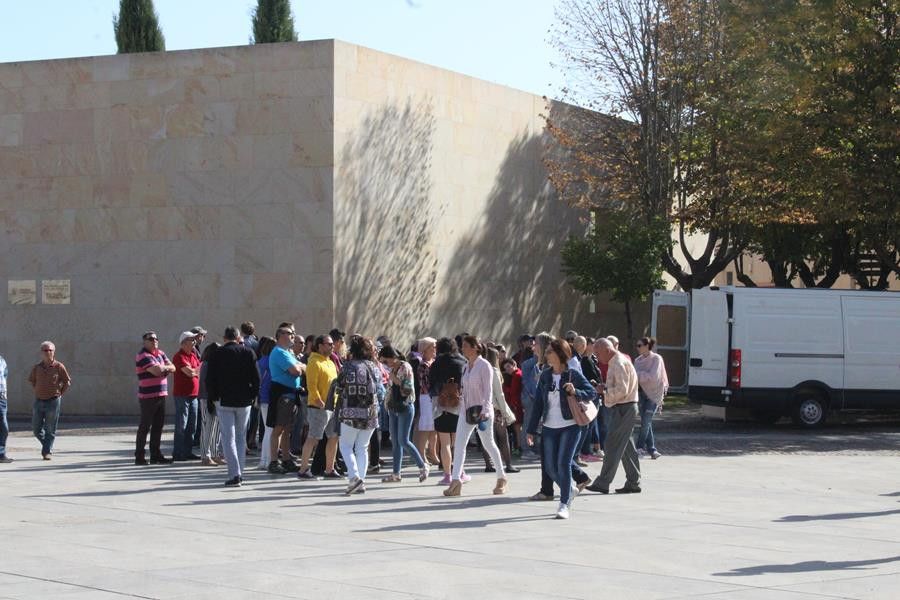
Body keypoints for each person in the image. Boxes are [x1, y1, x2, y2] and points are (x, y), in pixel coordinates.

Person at [526, 339, 595, 519]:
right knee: (549, 467)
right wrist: (531, 429)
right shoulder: (545, 375)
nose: (546, 354)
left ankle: (564, 504)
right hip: (549, 426)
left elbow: (592, 392)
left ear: (560, 354)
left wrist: (576, 392)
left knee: (563, 463)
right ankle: (569, 488)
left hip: (570, 425)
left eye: (549, 351)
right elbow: (539, 404)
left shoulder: (572, 374)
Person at [444, 335, 508, 497]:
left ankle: (501, 477)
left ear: (475, 348)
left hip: (482, 411)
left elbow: (488, 391)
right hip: (466, 410)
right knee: (459, 445)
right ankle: (456, 481)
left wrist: (486, 410)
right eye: (462, 346)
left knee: (489, 444)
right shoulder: (466, 366)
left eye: (465, 346)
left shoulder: (484, 366)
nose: (462, 348)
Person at [206, 326, 260, 487]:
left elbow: (210, 379)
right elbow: (256, 378)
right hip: (244, 401)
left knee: (228, 438)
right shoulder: (248, 352)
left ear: (224, 338)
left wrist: (214, 397)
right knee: (240, 437)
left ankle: (234, 473)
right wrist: (252, 395)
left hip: (224, 401)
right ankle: (239, 472)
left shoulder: (217, 354)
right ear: (238, 337)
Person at [586, 338, 641, 494]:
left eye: (597, 352)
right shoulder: (617, 361)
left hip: (624, 408)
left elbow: (622, 391)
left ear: (607, 350)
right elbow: (621, 388)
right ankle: (633, 481)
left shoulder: (618, 363)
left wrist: (603, 392)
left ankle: (603, 482)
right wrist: (605, 388)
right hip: (625, 407)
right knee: (626, 447)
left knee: (612, 445)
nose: (596, 356)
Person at [336, 336, 384, 494]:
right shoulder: (374, 367)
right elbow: (380, 390)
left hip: (350, 411)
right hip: (371, 412)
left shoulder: (348, 366)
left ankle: (354, 478)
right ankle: (360, 482)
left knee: (345, 445)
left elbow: (339, 386)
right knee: (362, 448)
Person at [379, 345, 429, 483]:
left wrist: (395, 380)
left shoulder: (405, 367)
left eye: (386, 361)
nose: (385, 364)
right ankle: (396, 473)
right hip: (393, 408)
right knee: (395, 443)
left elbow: (407, 389)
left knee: (403, 440)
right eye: (383, 362)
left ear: (392, 357)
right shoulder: (392, 368)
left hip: (405, 407)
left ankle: (423, 466)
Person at [298, 335, 340, 480]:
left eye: (332, 344)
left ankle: (329, 469)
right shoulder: (314, 362)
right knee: (313, 438)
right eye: (329, 344)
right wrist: (318, 400)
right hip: (318, 407)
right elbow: (311, 385)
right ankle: (303, 469)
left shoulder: (330, 362)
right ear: (320, 345)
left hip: (333, 406)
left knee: (333, 437)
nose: (332, 346)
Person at [429, 337, 467, 485]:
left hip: (440, 406)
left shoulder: (436, 364)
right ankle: (460, 473)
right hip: (459, 406)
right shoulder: (462, 362)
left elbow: (431, 386)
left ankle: (447, 475)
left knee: (444, 443)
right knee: (459, 443)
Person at [267, 327, 305, 474]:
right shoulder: (279, 352)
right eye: (290, 334)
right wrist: (299, 367)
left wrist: (299, 366)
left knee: (287, 429)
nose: (293, 336)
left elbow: (303, 367)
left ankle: (287, 459)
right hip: (282, 396)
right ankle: (273, 461)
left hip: (290, 395)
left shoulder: (287, 353)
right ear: (280, 335)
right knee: (279, 429)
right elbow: (296, 371)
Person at [135, 331, 176, 465]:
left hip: (161, 395)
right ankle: (139, 456)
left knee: (158, 426)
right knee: (145, 426)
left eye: (156, 339)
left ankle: (155, 454)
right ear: (144, 341)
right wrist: (164, 369)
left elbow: (173, 367)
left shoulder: (161, 353)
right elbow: (156, 371)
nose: (154, 341)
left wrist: (162, 368)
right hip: (147, 396)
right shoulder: (143, 355)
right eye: (151, 339)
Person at [28, 341, 71, 460]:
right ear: (41, 353)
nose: (48, 353)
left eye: (50, 350)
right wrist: (38, 391)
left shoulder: (59, 366)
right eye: (45, 350)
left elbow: (67, 382)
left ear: (54, 352)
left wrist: (60, 393)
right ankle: (48, 446)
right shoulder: (36, 368)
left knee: (50, 428)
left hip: (53, 400)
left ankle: (46, 452)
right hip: (38, 401)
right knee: (36, 429)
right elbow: (32, 381)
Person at [485, 347, 519, 473]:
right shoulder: (494, 371)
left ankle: (489, 464)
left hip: (485, 407)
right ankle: (508, 464)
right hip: (496, 408)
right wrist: (505, 411)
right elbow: (500, 394)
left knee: (487, 437)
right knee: (503, 437)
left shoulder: (481, 369)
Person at [634, 336, 668, 460]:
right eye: (637, 346)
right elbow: (635, 376)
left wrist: (639, 375)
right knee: (646, 422)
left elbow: (654, 377)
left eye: (639, 346)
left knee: (646, 422)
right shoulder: (637, 361)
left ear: (647, 346)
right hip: (641, 393)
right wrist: (642, 376)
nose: (637, 348)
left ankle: (639, 447)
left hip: (654, 394)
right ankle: (652, 450)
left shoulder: (657, 359)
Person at [520, 332, 552, 458]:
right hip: (532, 397)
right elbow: (530, 383)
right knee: (530, 423)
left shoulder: (543, 363)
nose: (533, 345)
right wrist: (534, 395)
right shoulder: (532, 364)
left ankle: (534, 448)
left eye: (537, 343)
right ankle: (526, 449)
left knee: (535, 424)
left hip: (535, 397)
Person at [171, 332, 201, 461]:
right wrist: (195, 371)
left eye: (194, 340)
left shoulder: (194, 355)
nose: (194, 342)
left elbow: (199, 370)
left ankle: (187, 451)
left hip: (194, 395)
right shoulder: (179, 356)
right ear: (183, 342)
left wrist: (195, 371)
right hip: (182, 395)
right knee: (181, 425)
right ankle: (178, 453)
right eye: (191, 340)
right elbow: (189, 373)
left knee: (192, 425)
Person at [413, 337, 439, 465]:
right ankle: (422, 454)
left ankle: (432, 453)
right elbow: (425, 384)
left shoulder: (433, 362)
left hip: (433, 397)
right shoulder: (423, 365)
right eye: (433, 347)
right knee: (426, 428)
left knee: (434, 428)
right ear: (425, 349)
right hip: (426, 397)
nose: (435, 349)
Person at [198, 342, 224, 466]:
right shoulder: (206, 364)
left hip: (215, 399)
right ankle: (205, 455)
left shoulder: (214, 364)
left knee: (215, 428)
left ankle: (214, 453)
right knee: (207, 427)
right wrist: (210, 399)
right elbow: (204, 384)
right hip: (206, 399)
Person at [255, 336, 276, 469]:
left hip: (262, 397)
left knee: (267, 429)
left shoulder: (260, 361)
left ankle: (264, 460)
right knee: (270, 430)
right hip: (270, 397)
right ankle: (267, 460)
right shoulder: (272, 361)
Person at [501, 358, 524, 454]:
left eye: (508, 366)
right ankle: (519, 446)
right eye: (505, 368)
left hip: (515, 404)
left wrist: (504, 388)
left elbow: (513, 391)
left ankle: (519, 447)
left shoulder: (516, 375)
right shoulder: (518, 373)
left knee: (517, 427)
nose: (507, 369)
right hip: (517, 404)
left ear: (514, 364)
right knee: (518, 427)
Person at [0, 353, 12, 463]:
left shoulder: (2, 361)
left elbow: (4, 378)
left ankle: (1, 454)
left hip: (1, 398)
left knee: (3, 427)